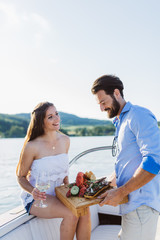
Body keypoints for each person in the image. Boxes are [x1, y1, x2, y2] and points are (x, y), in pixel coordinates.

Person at [91, 75, 160, 240]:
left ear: (116, 93)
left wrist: (121, 192)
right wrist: (103, 184)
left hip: (141, 206)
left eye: (103, 102)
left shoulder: (139, 115)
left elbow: (154, 160)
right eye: (98, 104)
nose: (101, 108)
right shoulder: (121, 121)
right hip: (132, 206)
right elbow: (129, 164)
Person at [16, 101, 91, 240]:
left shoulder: (65, 140)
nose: (56, 119)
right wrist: (33, 191)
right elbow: (20, 177)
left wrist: (71, 189)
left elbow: (64, 172)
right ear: (41, 122)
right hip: (38, 197)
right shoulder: (32, 146)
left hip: (59, 194)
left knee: (85, 210)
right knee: (72, 214)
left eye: (56, 114)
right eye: (50, 117)